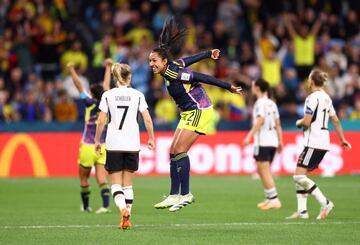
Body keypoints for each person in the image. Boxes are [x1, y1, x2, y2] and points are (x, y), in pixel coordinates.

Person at [149, 17, 242, 212]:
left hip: (199, 110)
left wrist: (228, 87)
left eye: (154, 61)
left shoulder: (174, 73)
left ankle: (186, 194)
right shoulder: (170, 69)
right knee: (172, 151)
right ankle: (174, 195)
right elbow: (188, 60)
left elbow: (202, 77)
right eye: (150, 60)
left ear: (164, 61)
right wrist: (208, 53)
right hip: (188, 113)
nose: (151, 64)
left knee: (180, 150)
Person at [95, 62, 155, 229]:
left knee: (115, 184)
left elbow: (101, 120)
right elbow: (147, 119)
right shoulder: (138, 95)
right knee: (128, 184)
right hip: (132, 144)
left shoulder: (107, 95)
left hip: (114, 143)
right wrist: (151, 138)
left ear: (115, 77)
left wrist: (97, 141)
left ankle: (123, 210)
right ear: (129, 77)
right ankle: (127, 215)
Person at [286, 69, 351, 220]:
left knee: (297, 177)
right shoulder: (327, 98)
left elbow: (306, 122)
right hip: (323, 142)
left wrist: (298, 122)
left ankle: (325, 202)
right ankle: (302, 211)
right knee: (301, 175)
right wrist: (342, 139)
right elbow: (335, 120)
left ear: (311, 82)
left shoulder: (311, 98)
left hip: (313, 141)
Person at [67, 59, 112, 214]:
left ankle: (86, 206)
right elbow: (106, 86)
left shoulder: (89, 103)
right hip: (103, 146)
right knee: (101, 179)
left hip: (88, 145)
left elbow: (79, 85)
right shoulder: (107, 103)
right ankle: (105, 206)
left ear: (92, 94)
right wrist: (109, 67)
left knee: (84, 179)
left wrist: (71, 69)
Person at [243, 78, 283, 210]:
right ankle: (269, 198)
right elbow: (277, 124)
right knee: (261, 171)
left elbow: (260, 120)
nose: (251, 88)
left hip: (263, 142)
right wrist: (280, 141)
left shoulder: (260, 103)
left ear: (257, 88)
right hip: (272, 141)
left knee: (264, 172)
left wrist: (249, 136)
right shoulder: (272, 103)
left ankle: (274, 200)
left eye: (253, 86)